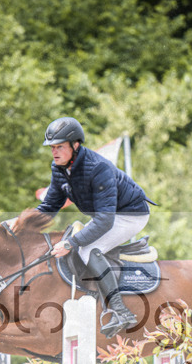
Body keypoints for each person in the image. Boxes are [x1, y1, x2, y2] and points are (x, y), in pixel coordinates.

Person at [37, 116, 155, 337]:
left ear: (75, 145)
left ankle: (120, 311)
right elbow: (50, 204)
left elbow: (104, 221)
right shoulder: (59, 168)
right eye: (52, 147)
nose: (54, 152)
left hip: (130, 214)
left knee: (87, 248)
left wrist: (70, 244)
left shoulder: (97, 168)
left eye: (59, 146)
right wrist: (21, 223)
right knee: (80, 242)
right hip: (107, 214)